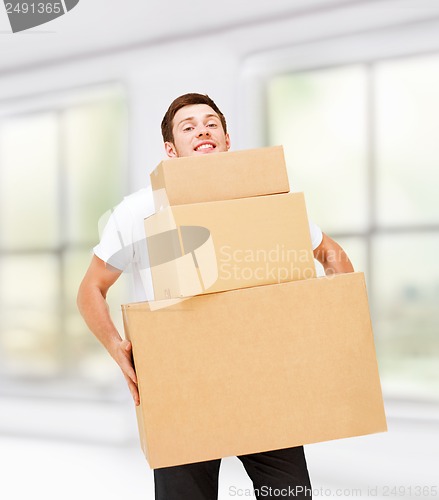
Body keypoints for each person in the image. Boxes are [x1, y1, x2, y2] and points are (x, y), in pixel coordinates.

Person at [77, 93, 354, 499]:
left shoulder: (261, 200)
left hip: (263, 379)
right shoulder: (138, 211)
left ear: (227, 140)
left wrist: (329, 325)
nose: (202, 130)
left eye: (211, 123)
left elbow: (332, 255)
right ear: (170, 151)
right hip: (179, 385)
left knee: (290, 494)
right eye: (188, 127)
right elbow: (90, 289)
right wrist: (119, 349)